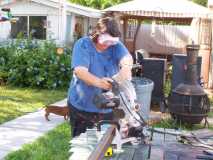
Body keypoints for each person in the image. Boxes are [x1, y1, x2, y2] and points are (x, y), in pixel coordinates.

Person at [67, 17, 133, 137]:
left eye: (112, 42)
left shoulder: (115, 45)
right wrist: (101, 83)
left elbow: (127, 58)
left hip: (108, 107)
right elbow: (80, 72)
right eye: (105, 41)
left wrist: (126, 68)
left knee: (107, 143)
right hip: (82, 106)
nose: (108, 45)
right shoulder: (83, 44)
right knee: (82, 144)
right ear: (96, 34)